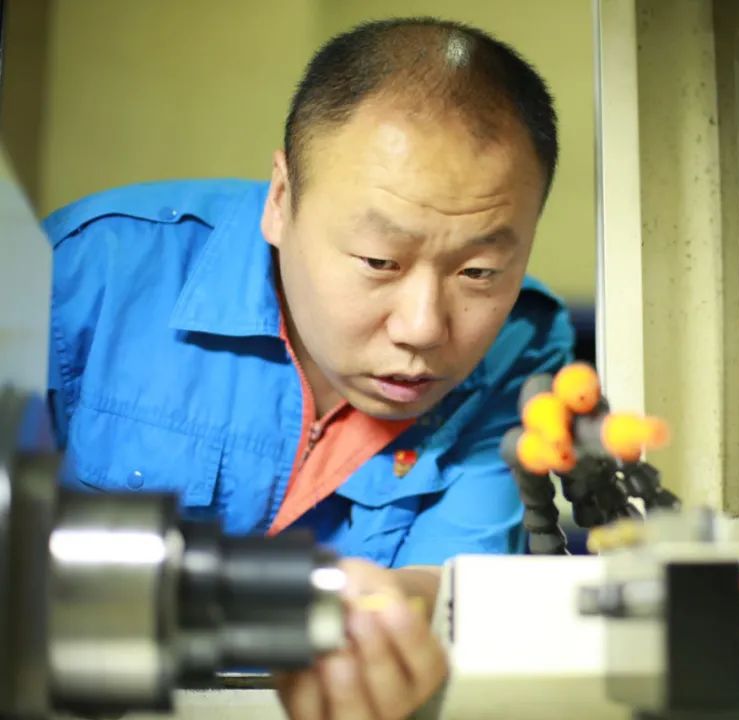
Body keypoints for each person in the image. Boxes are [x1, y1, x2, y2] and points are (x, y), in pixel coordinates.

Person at [43, 17, 573, 720]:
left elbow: (452, 576)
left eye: (479, 271)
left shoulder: (523, 345)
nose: (423, 327)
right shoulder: (81, 278)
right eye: (379, 261)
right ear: (281, 200)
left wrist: (379, 614)